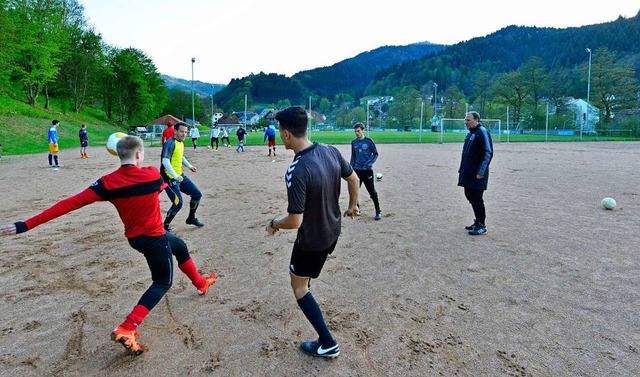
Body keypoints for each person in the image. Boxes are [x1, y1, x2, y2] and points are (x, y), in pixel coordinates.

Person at [0, 135, 217, 355]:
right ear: (139, 155)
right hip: (154, 239)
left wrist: (24, 225)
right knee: (162, 282)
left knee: (180, 247)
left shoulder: (106, 183)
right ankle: (127, 328)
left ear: (117, 154)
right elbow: (169, 191)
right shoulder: (151, 174)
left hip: (137, 239)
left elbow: (69, 204)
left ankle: (200, 283)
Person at [265, 106, 359, 358]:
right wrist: (352, 205)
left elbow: (295, 221)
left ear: (285, 134)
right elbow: (353, 179)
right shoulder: (330, 150)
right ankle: (309, 283)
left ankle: (327, 343)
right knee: (306, 277)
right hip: (332, 232)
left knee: (298, 287)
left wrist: (273, 222)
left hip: (313, 240)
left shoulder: (297, 170)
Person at [161, 122, 205, 230]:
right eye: (182, 131)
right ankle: (164, 227)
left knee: (197, 194)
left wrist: (190, 166)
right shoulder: (169, 143)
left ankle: (191, 218)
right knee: (178, 203)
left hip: (179, 176)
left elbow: (180, 156)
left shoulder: (180, 143)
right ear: (175, 131)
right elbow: (165, 161)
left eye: (186, 132)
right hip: (170, 178)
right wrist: (175, 176)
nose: (184, 134)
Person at [458, 111, 493, 236]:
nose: (465, 122)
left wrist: (481, 171)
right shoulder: (470, 134)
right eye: (465, 120)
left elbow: (488, 152)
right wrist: (462, 170)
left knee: (477, 198)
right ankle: (477, 220)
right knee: (469, 195)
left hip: (477, 173)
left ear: (477, 120)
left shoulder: (482, 132)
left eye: (468, 120)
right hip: (468, 172)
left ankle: (481, 225)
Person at [350, 122, 382, 220]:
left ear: (363, 130)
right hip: (356, 171)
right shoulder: (354, 142)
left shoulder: (369, 141)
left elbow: (375, 154)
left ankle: (378, 211)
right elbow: (353, 156)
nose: (357, 133)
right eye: (355, 131)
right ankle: (357, 209)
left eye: (358, 131)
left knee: (372, 192)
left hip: (367, 171)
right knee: (355, 191)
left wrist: (369, 163)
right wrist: (351, 168)